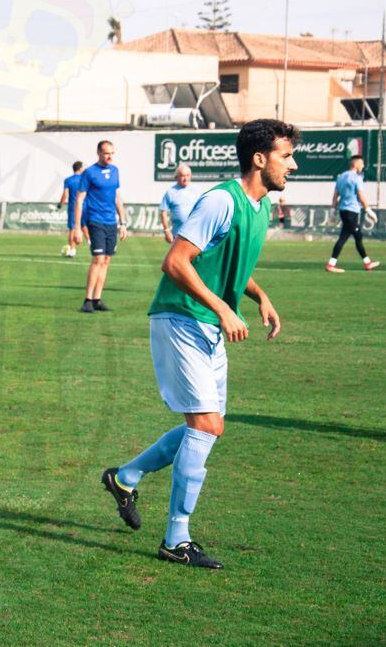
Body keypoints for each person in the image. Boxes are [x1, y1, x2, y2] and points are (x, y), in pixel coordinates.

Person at [100, 118, 299, 569]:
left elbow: (224, 262)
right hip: (181, 318)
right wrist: (224, 308)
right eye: (286, 156)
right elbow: (176, 262)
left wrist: (258, 296)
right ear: (259, 158)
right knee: (205, 425)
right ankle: (176, 538)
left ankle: (125, 477)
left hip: (207, 323)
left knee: (209, 427)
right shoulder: (221, 201)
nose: (293, 164)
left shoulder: (261, 206)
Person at [71, 140, 127, 312]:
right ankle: (87, 299)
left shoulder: (115, 171)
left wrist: (123, 223)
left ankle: (97, 299)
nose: (109, 156)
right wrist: (77, 228)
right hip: (95, 221)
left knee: (106, 261)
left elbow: (117, 197)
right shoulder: (89, 173)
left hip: (111, 223)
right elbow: (80, 200)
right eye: (106, 153)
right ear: (98, 153)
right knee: (98, 260)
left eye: (112, 153)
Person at [326, 155, 380, 273]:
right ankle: (330, 265)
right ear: (355, 164)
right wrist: (369, 210)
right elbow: (360, 195)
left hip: (343, 211)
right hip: (352, 212)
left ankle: (367, 263)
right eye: (362, 163)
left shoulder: (341, 177)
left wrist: (332, 210)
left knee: (355, 236)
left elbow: (335, 195)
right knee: (347, 237)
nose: (363, 166)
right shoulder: (356, 178)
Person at [159, 164, 201, 243]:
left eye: (187, 175)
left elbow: (202, 210)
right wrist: (167, 231)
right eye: (182, 176)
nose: (185, 179)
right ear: (177, 177)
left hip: (195, 235)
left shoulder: (196, 190)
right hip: (178, 235)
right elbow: (163, 212)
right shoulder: (171, 192)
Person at [57, 160, 86, 257]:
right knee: (87, 227)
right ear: (80, 168)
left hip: (73, 207)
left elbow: (65, 194)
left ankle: (72, 250)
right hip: (85, 207)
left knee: (72, 229)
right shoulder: (84, 179)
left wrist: (60, 204)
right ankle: (95, 246)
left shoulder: (68, 180)